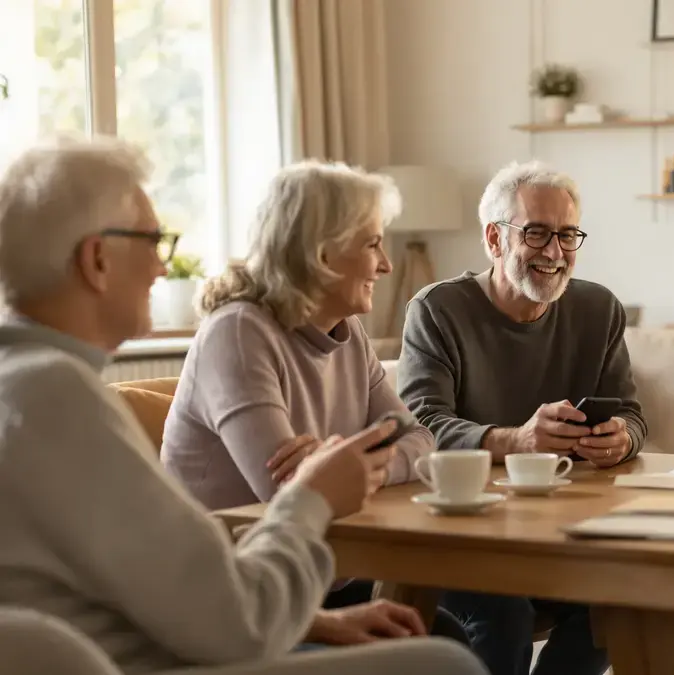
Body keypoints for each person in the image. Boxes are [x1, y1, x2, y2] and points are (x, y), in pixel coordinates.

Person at [0, 135, 485, 674]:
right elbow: (239, 620)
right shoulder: (54, 396)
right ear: (97, 260)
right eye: (155, 241)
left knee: (436, 635)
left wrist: (316, 621)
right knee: (445, 664)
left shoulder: (28, 386)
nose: (164, 269)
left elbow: (149, 592)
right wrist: (312, 496)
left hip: (176, 634)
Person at [158, 159, 466, 644]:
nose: (386, 264)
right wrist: (337, 472)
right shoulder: (239, 333)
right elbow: (289, 493)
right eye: (372, 244)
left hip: (317, 575)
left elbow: (421, 440)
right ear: (323, 256)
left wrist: (356, 469)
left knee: (445, 632)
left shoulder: (350, 333)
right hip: (234, 599)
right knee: (438, 646)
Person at [397, 160, 646, 675]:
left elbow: (630, 413)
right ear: (494, 239)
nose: (555, 253)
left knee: (624, 593)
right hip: (460, 534)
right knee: (503, 612)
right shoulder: (437, 310)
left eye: (567, 235)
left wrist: (623, 439)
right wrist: (515, 440)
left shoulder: (600, 309)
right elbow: (421, 423)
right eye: (536, 233)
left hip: (563, 528)